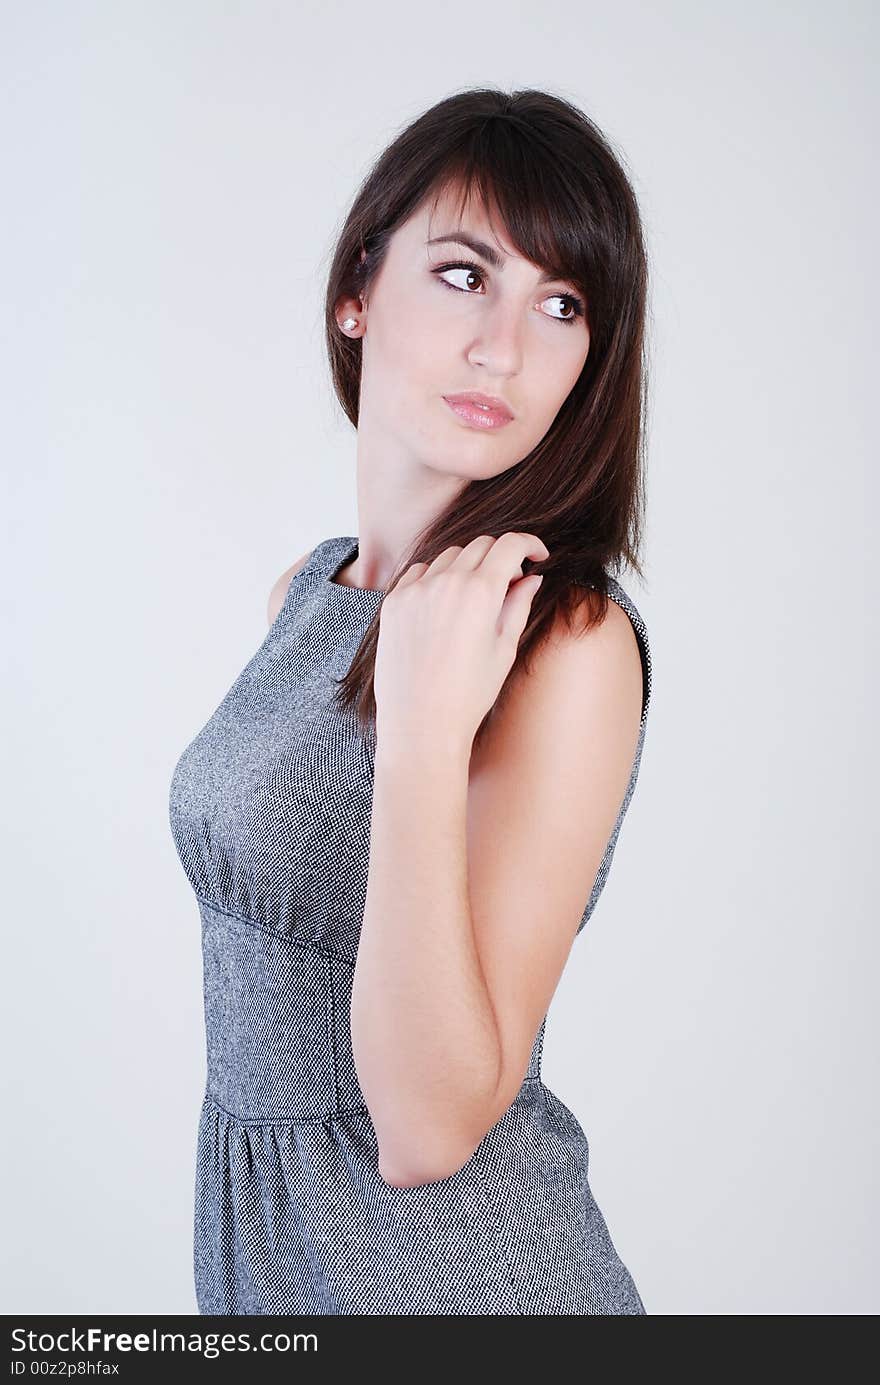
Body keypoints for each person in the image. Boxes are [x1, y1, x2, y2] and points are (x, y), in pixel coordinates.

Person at [169, 86, 654, 1315]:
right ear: (356, 288)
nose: (504, 345)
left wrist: (428, 731)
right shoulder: (308, 591)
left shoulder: (565, 640)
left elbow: (430, 1127)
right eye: (461, 275)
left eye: (561, 304)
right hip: (269, 1267)